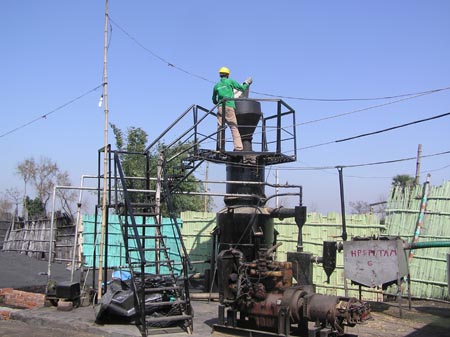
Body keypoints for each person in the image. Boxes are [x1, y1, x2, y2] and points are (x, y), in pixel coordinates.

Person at [212, 66, 252, 151]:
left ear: (220, 75)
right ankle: (238, 147)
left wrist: (218, 103)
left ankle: (220, 148)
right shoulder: (230, 81)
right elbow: (241, 88)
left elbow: (213, 99)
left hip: (220, 107)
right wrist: (246, 83)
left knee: (220, 127)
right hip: (229, 106)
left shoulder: (216, 86)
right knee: (233, 127)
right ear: (228, 75)